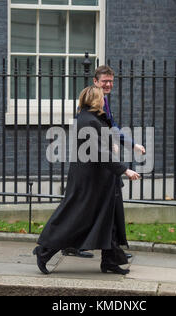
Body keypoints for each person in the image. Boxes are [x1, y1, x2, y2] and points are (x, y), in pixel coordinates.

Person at [33, 86, 140, 275]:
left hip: (103, 179)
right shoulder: (87, 120)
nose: (103, 101)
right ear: (93, 100)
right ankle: (44, 251)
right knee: (76, 217)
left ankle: (110, 261)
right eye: (100, 98)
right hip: (91, 181)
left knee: (111, 219)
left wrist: (113, 146)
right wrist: (124, 169)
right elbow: (97, 152)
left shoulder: (93, 118)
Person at [63, 65, 146, 259]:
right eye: (104, 81)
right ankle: (73, 245)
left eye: (110, 81)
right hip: (92, 165)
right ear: (95, 81)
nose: (108, 85)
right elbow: (91, 132)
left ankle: (112, 249)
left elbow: (111, 127)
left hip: (102, 163)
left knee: (107, 202)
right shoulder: (90, 102)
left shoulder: (103, 101)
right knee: (86, 205)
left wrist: (130, 145)